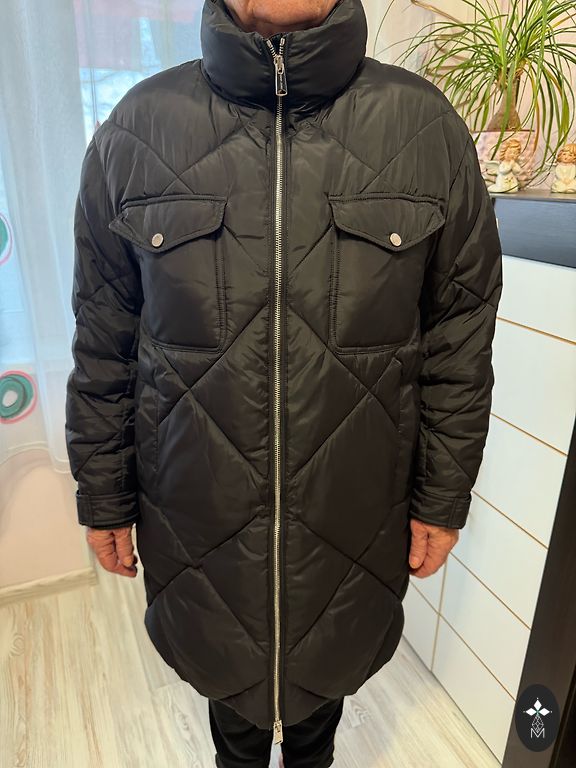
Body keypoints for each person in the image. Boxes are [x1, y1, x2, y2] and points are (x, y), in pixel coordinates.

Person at [64, 0, 503, 766]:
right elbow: (105, 339)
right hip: (197, 520)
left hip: (353, 517)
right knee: (231, 716)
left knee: (318, 714)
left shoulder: (424, 128)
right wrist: (104, 492)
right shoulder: (137, 130)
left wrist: (443, 495)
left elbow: (459, 338)